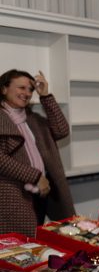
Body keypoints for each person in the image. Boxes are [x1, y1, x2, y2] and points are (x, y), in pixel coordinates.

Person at [1, 69, 75, 236]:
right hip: (12, 195)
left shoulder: (32, 119)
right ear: (4, 89)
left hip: (42, 192)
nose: (26, 93)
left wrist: (46, 96)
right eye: (21, 88)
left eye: (30, 89)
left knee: (38, 241)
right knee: (19, 246)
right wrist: (35, 177)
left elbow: (62, 130)